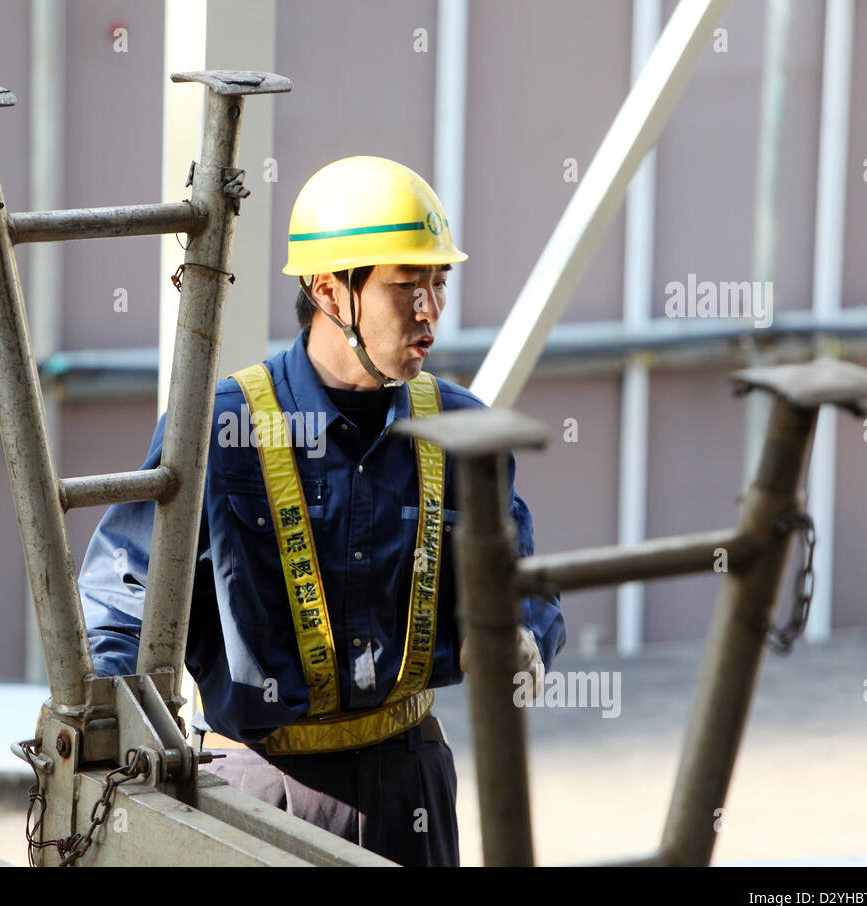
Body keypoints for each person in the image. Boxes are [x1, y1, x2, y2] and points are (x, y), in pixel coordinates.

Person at [78, 155, 565, 867]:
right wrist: (111, 734)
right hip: (257, 790)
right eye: (407, 286)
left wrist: (525, 633)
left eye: (439, 283)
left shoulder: (460, 429)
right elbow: (125, 595)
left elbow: (522, 581)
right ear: (330, 290)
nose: (429, 309)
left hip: (411, 788)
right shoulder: (223, 430)